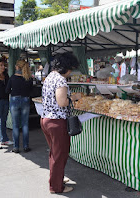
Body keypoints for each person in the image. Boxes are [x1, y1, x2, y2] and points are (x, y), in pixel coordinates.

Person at [40, 53, 80, 194]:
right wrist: (74, 98)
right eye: (71, 69)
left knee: (54, 153)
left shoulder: (50, 77)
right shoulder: (61, 80)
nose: (70, 72)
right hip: (57, 122)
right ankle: (56, 187)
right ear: (66, 67)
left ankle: (57, 179)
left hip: (46, 119)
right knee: (59, 155)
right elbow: (62, 102)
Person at [6, 60, 33, 153]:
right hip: (25, 99)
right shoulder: (29, 78)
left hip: (14, 100)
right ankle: (26, 146)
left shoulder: (13, 78)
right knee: (25, 124)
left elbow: (7, 90)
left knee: (15, 125)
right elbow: (31, 91)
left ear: (17, 67)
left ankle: (16, 147)